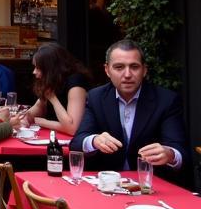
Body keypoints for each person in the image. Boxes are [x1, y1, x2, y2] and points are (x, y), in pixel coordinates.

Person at [71, 38, 187, 176]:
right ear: (107, 70)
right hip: (107, 184)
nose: (127, 75)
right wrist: (94, 140)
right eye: (119, 67)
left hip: (150, 184)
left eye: (134, 67)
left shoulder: (166, 100)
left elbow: (180, 151)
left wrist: (169, 154)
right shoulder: (96, 97)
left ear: (144, 70)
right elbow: (77, 142)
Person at [22, 42, 90, 136]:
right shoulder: (53, 81)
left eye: (38, 68)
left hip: (75, 143)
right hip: (55, 137)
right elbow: (36, 110)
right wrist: (24, 117)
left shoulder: (75, 82)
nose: (34, 72)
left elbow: (73, 128)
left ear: (50, 69)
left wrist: (43, 122)